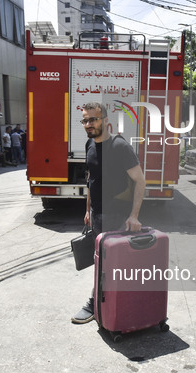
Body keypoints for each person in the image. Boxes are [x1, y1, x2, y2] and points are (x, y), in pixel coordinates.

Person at [71, 101, 146, 324]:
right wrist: (88, 210)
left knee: (108, 264)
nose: (88, 124)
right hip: (97, 215)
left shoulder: (119, 147)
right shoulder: (90, 145)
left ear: (105, 121)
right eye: (84, 120)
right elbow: (91, 179)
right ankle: (108, 303)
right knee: (102, 263)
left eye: (92, 119)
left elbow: (140, 181)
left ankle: (94, 304)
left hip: (117, 216)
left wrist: (134, 215)